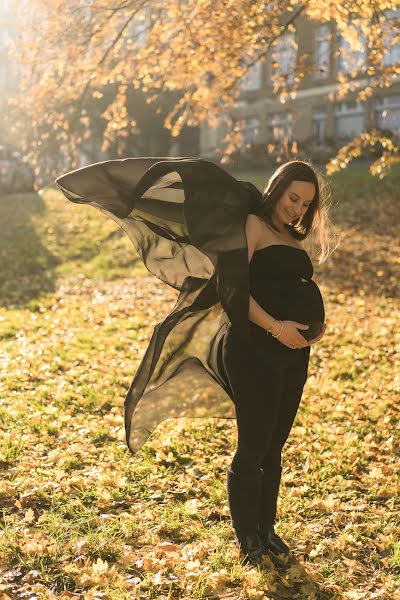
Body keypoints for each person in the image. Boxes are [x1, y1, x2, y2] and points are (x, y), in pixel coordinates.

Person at [55, 156, 335, 569]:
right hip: (254, 348)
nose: (298, 209)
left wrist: (316, 326)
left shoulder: (293, 239)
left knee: (275, 447)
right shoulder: (252, 225)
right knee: (254, 447)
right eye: (294, 198)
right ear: (278, 189)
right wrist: (277, 327)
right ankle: (249, 541)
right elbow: (233, 289)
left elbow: (294, 286)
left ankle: (267, 529)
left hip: (293, 353)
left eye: (307, 205)